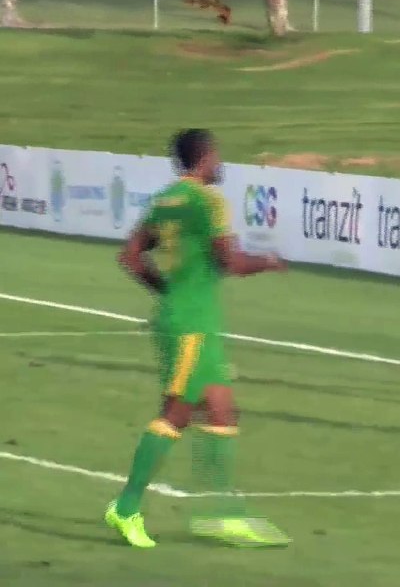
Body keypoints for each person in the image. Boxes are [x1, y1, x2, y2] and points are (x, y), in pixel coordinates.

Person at [107, 128, 289, 548]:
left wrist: (167, 292)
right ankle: (126, 506)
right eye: (216, 155)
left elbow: (130, 257)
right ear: (204, 158)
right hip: (191, 324)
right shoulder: (207, 201)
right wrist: (267, 261)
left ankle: (221, 515)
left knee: (222, 410)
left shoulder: (164, 200)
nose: (219, 162)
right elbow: (231, 262)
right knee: (177, 412)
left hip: (191, 318)